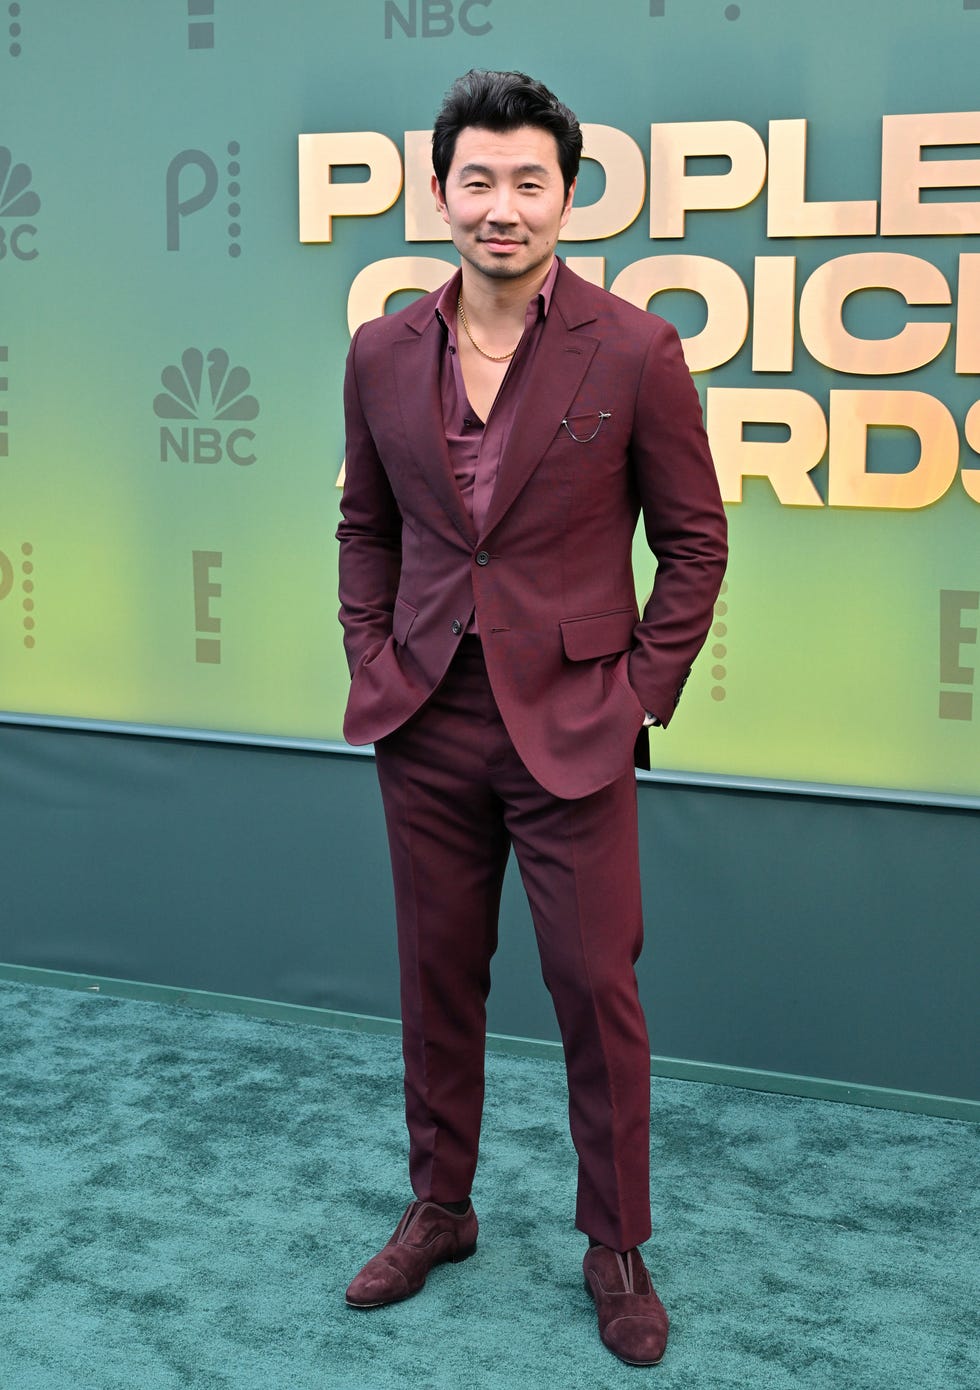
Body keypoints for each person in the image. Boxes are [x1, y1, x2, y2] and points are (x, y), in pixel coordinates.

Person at [336, 69, 727, 1367]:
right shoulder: (381, 350)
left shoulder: (634, 347)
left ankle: (616, 1246)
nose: (502, 207)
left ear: (567, 192)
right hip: (425, 724)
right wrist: (372, 653)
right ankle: (441, 1207)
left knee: (595, 992)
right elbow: (365, 528)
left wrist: (634, 701)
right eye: (478, 180)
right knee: (435, 982)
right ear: (438, 190)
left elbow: (696, 544)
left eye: (529, 182)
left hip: (574, 728)